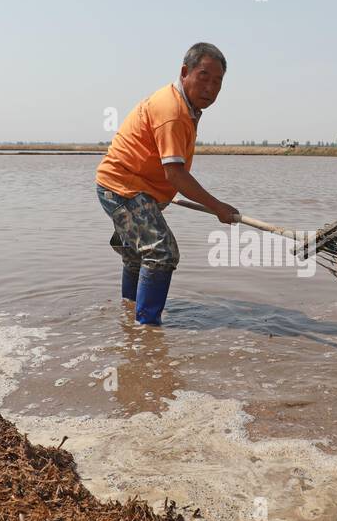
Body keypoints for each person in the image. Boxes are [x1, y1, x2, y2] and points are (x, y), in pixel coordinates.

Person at [95, 43, 237, 325]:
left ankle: (130, 312)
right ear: (185, 72)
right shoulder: (171, 110)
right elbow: (176, 174)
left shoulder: (185, 106)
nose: (210, 87)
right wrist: (218, 207)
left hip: (134, 187)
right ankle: (147, 328)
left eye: (218, 82)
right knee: (161, 252)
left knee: (138, 255)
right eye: (204, 77)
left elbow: (169, 172)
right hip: (123, 187)